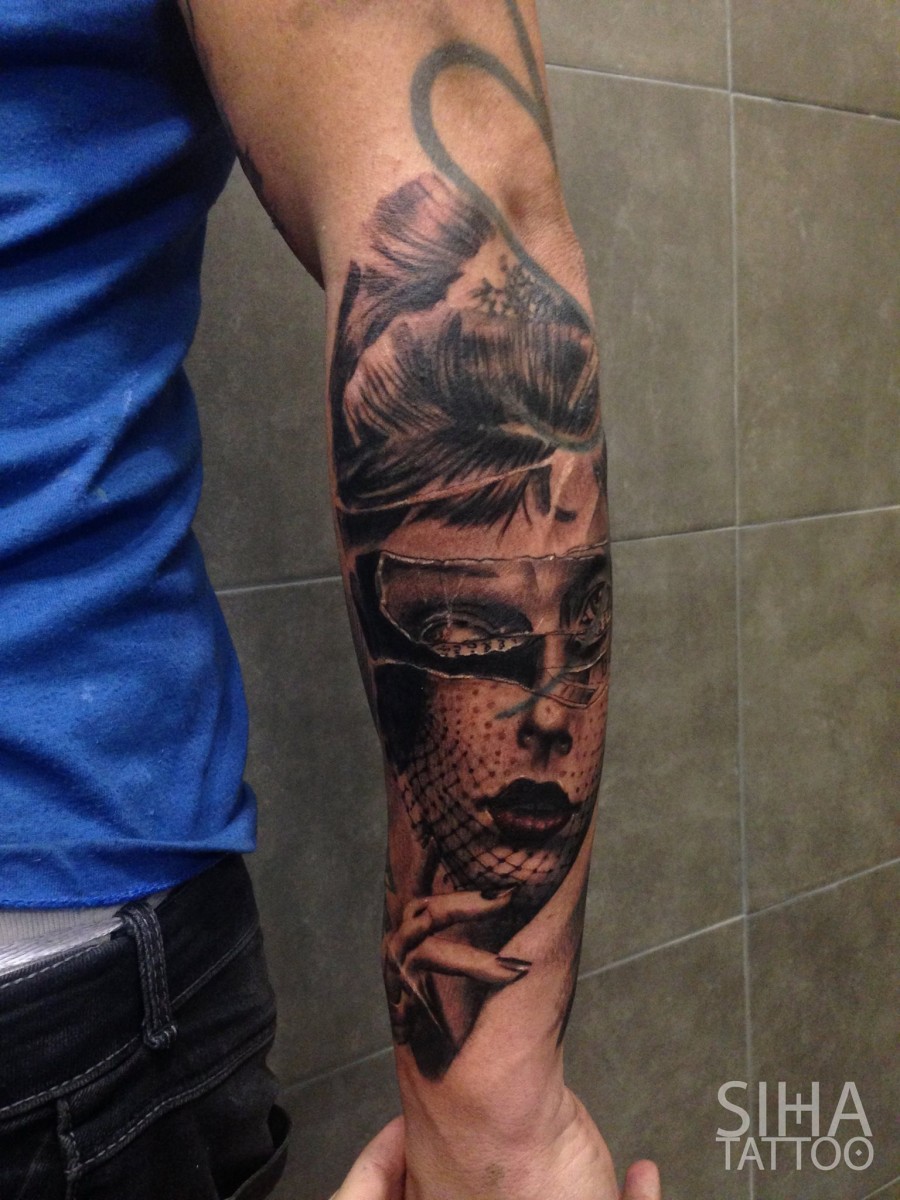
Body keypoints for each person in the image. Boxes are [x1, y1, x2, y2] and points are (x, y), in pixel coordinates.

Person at [0, 1, 662, 1197]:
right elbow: (466, 214)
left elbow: (460, 238)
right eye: (472, 630)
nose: (539, 707)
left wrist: (494, 1117)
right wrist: (500, 1135)